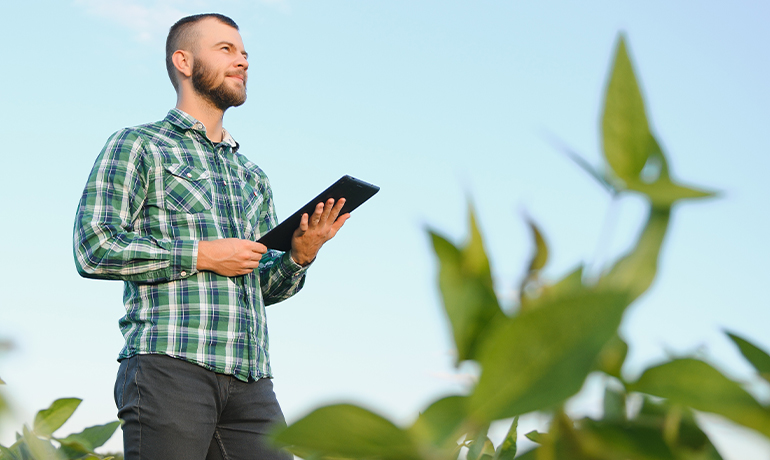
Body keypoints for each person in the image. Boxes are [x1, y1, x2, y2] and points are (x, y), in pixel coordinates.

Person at [73, 13, 348, 460]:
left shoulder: (252, 176)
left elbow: (261, 286)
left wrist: (300, 255)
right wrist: (201, 254)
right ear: (183, 61)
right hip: (169, 365)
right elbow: (94, 247)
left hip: (252, 379)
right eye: (225, 49)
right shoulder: (139, 145)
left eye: (244, 54)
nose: (241, 61)